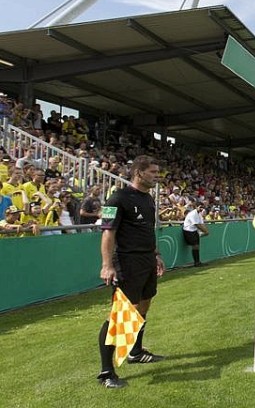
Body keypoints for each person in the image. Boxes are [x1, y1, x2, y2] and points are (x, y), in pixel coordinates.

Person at [96, 155, 166, 389]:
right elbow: (107, 233)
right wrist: (107, 265)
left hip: (146, 260)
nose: (157, 176)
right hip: (127, 262)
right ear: (139, 172)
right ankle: (107, 372)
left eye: (157, 172)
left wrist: (155, 255)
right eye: (153, 172)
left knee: (144, 305)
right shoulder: (116, 198)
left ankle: (135, 352)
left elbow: (147, 231)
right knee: (121, 315)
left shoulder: (148, 199)